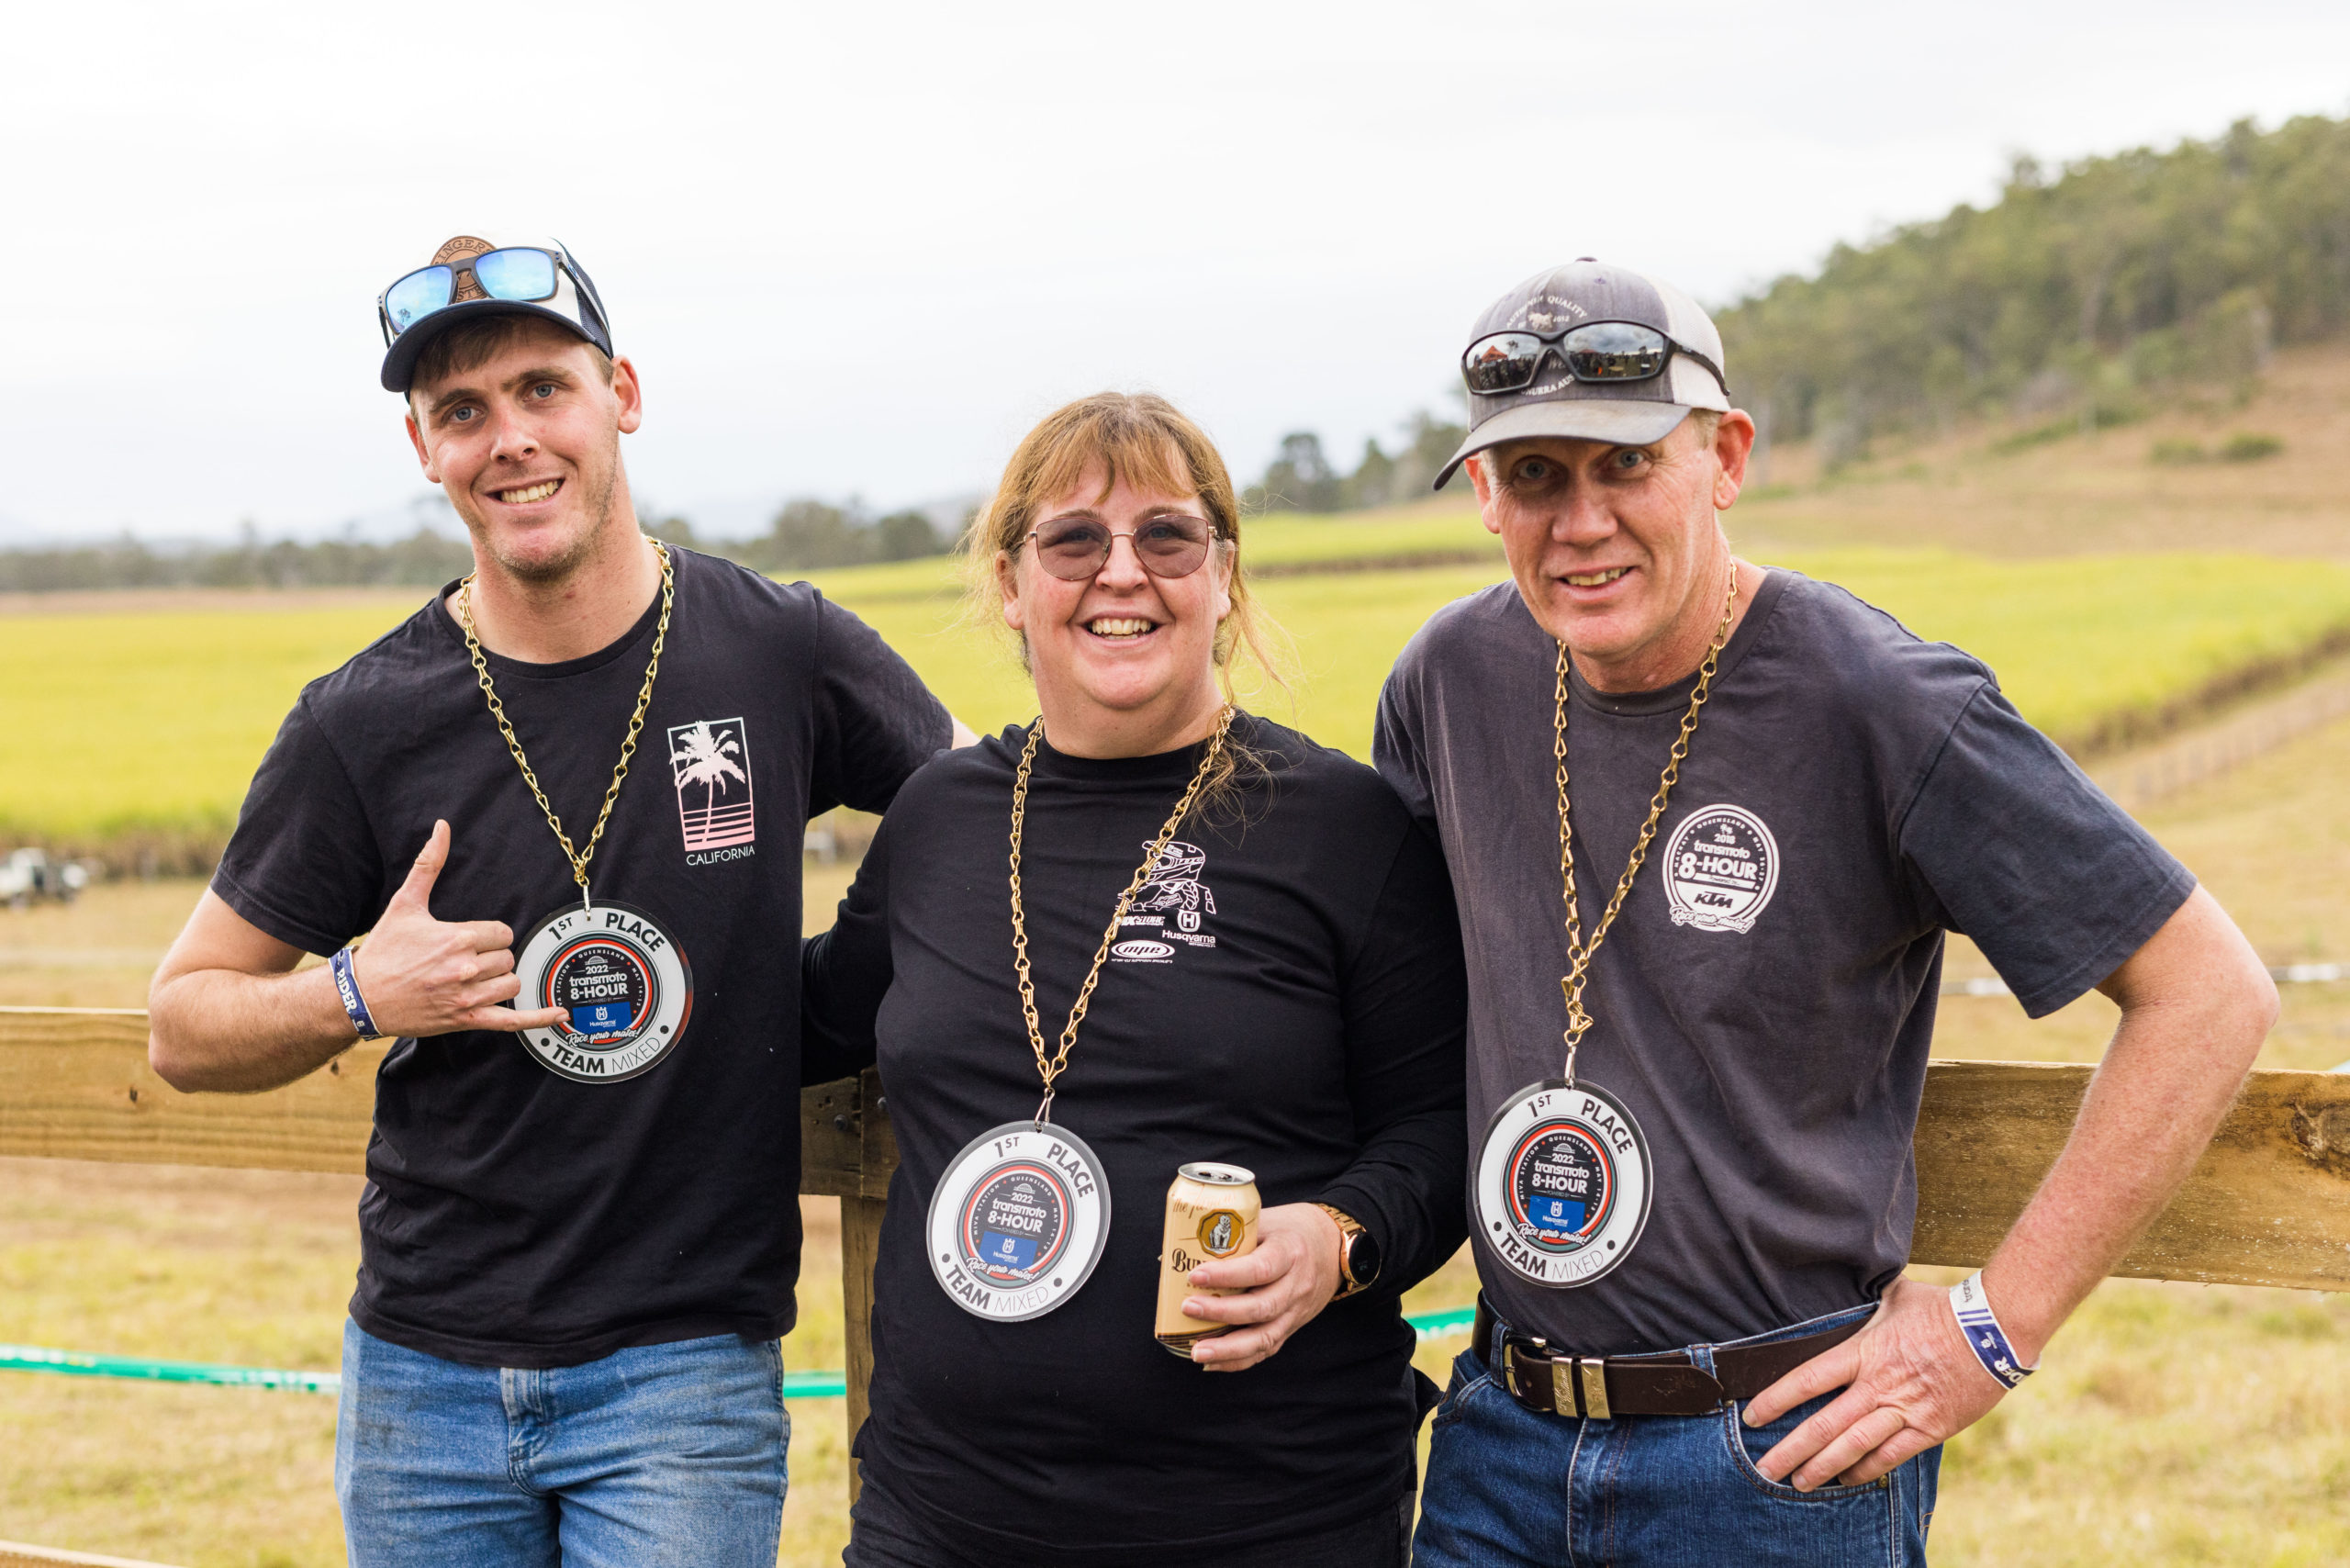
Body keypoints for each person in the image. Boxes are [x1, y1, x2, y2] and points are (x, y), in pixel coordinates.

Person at [1376, 259, 2278, 1565]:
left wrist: (1990, 1332)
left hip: (1776, 1458)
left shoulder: (1879, 701)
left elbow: (2209, 993)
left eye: (1626, 464)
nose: (1580, 522)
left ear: (1725, 458)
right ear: (1483, 494)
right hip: (1500, 1445)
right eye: (1534, 476)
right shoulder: (1448, 684)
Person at [147, 233, 962, 1567]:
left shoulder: (778, 646)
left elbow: (980, 808)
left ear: (620, 395)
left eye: (543, 389)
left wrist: (832, 989)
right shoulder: (361, 721)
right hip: (421, 1380)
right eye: (462, 410)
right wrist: (357, 992)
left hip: (682, 1372)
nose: (510, 439)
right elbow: (182, 1023)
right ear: (424, 449)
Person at [800, 392, 1469, 1568]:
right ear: (1010, 584)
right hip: (942, 1517)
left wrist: (1336, 1238)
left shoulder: (1344, 825)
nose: (1122, 572)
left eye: (1167, 536)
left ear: (1224, 575)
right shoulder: (939, 817)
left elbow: (1441, 1125)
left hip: (1270, 1519)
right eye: (1072, 540)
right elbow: (795, 1024)